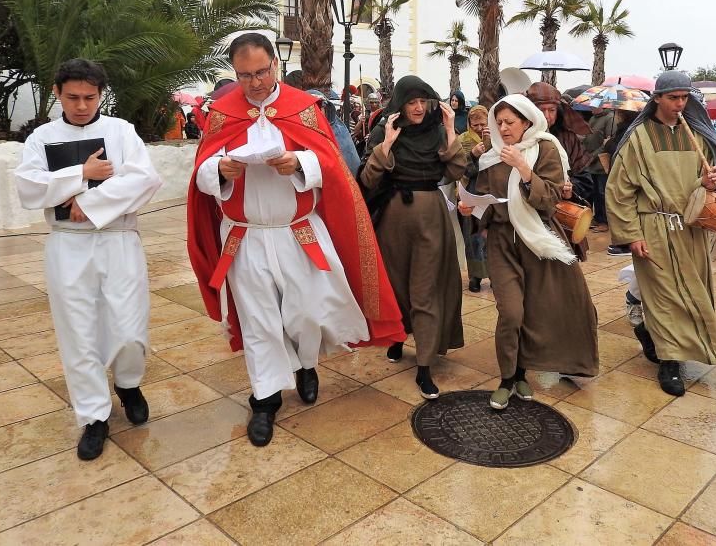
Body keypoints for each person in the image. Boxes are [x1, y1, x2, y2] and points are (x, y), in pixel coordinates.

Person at [187, 33, 405, 447]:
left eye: (261, 72)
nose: (253, 83)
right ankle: (265, 400)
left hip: (299, 231)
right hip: (245, 237)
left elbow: (332, 164)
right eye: (244, 75)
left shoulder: (304, 108)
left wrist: (300, 162)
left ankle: (306, 365)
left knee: (306, 311)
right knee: (258, 321)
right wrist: (219, 170)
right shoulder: (220, 113)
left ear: (275, 65)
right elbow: (200, 171)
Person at [15, 58, 162, 460]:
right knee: (77, 329)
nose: (82, 105)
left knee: (129, 325)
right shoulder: (41, 138)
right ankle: (93, 415)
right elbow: (28, 188)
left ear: (101, 94)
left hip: (117, 238)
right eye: (73, 97)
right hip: (68, 245)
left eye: (90, 97)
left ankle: (129, 383)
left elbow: (145, 179)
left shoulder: (120, 131)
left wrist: (93, 203)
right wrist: (82, 173)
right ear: (57, 93)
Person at [459, 95, 599, 410]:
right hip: (502, 242)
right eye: (499, 123)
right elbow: (485, 201)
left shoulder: (546, 149)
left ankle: (523, 371)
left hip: (538, 240)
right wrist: (470, 208)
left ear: (526, 121)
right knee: (511, 312)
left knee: (536, 310)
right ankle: (508, 378)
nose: (503, 128)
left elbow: (549, 200)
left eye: (510, 122)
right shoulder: (491, 157)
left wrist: (523, 168)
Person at [606, 71, 716, 396]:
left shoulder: (697, 137)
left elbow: (711, 182)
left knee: (692, 293)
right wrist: (632, 234)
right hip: (654, 227)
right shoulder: (639, 138)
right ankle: (669, 361)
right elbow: (619, 191)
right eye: (673, 97)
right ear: (657, 99)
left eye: (684, 98)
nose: (679, 104)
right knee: (663, 297)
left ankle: (653, 335)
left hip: (691, 228)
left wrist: (710, 184)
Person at [360, 75, 466, 400]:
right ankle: (397, 336)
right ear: (401, 104)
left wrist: (450, 131)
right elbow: (366, 178)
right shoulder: (384, 129)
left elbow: (456, 171)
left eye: (424, 101)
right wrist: (387, 143)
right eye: (412, 101)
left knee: (425, 288)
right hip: (393, 217)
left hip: (431, 216)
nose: (419, 107)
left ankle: (424, 365)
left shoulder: (437, 130)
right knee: (397, 284)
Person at [459, 105, 490, 292]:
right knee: (472, 237)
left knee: (491, 236)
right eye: (475, 124)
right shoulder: (462, 140)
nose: (479, 128)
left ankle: (494, 272)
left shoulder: (496, 138)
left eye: (483, 124)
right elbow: (460, 168)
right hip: (470, 192)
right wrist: (473, 154)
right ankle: (475, 276)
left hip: (490, 192)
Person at [600, 109, 640, 256]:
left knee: (621, 203)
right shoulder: (627, 126)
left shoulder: (629, 128)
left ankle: (626, 243)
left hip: (623, 172)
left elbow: (620, 147)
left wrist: (608, 143)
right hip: (620, 170)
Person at [583, 107, 617, 232]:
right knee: (595, 192)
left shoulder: (610, 119)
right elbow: (588, 136)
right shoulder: (593, 118)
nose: (591, 106)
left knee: (603, 192)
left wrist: (593, 155)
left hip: (601, 161)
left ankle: (605, 222)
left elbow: (608, 142)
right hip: (591, 161)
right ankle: (598, 217)